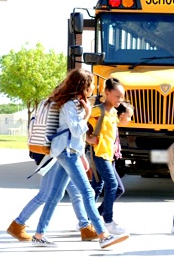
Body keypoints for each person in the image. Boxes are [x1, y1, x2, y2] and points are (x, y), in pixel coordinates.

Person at [31, 68, 129, 249]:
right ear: (83, 85)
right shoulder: (69, 104)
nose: (93, 87)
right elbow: (76, 130)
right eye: (91, 84)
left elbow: (76, 134)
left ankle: (39, 234)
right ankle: (103, 235)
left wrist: (82, 153)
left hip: (69, 151)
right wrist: (86, 114)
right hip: (67, 152)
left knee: (56, 194)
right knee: (88, 192)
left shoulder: (75, 103)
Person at [7, 157, 99, 242]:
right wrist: (81, 156)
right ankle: (17, 224)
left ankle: (85, 227)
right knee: (44, 195)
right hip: (55, 158)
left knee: (76, 194)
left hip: (62, 157)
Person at [86, 78, 127, 235]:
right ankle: (108, 222)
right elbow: (78, 123)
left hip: (110, 156)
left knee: (119, 189)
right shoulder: (98, 110)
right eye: (117, 96)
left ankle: (92, 217)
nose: (120, 100)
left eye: (121, 96)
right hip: (99, 155)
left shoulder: (114, 112)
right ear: (107, 93)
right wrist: (87, 137)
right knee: (112, 186)